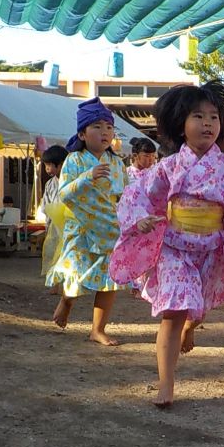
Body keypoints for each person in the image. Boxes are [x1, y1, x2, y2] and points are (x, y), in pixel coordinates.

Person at [109, 81, 224, 408]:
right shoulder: (168, 167)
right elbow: (138, 195)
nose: (207, 123)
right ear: (181, 123)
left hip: (211, 249)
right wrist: (141, 218)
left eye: (214, 117)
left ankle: (191, 327)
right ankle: (165, 383)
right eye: (198, 116)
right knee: (174, 311)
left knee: (198, 309)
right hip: (174, 249)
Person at [51, 97, 130, 345]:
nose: (105, 132)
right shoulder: (74, 160)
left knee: (109, 281)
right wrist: (87, 176)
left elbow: (127, 196)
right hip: (81, 229)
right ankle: (66, 301)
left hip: (109, 229)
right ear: (82, 134)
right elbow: (64, 193)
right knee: (76, 272)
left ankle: (97, 329)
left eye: (109, 127)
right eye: (97, 127)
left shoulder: (117, 163)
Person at [39, 145, 67, 286]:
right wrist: (47, 224)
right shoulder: (50, 184)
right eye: (45, 165)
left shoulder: (72, 181)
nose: (47, 169)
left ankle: (65, 283)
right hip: (54, 226)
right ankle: (55, 283)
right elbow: (46, 205)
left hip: (69, 224)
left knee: (66, 254)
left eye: (49, 165)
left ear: (61, 165)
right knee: (53, 252)